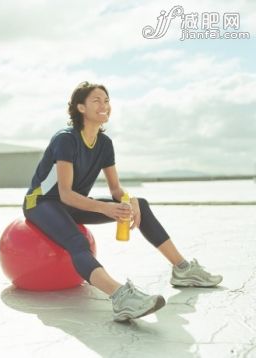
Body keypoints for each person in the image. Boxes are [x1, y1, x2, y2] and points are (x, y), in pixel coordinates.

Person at [23, 81, 222, 322]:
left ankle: (183, 270)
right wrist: (106, 208)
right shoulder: (66, 139)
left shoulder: (105, 144)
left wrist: (129, 201)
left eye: (106, 101)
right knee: (77, 241)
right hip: (42, 203)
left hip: (75, 204)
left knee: (141, 204)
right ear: (80, 108)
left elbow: (115, 188)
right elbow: (64, 194)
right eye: (96, 100)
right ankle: (121, 298)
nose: (104, 105)